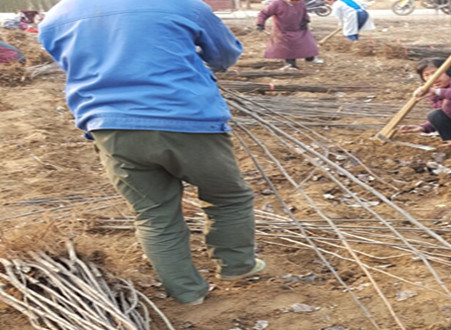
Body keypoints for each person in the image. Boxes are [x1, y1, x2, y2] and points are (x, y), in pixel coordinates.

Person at [38, 0, 264, 306]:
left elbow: (70, 62)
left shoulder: (57, 16)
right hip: (187, 120)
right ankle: (237, 266)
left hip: (110, 126)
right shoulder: (183, 5)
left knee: (154, 214)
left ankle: (187, 292)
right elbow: (225, 54)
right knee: (228, 196)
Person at [257, 0, 319, 71]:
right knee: (288, 48)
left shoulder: (301, 3)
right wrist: (260, 24)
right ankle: (291, 65)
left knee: (308, 42)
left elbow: (304, 13)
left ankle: (310, 58)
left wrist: (305, 20)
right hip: (283, 30)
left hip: (299, 28)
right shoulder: (277, 3)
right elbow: (263, 14)